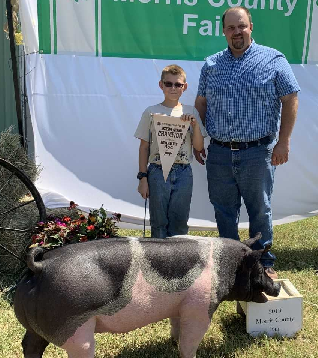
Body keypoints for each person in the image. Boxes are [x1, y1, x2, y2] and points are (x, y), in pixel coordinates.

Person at [194, 6, 300, 279]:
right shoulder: (212, 64)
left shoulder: (273, 59)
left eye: (241, 26)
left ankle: (263, 264)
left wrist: (283, 142)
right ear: (223, 31)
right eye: (230, 27)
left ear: (250, 26)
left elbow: (290, 99)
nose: (236, 32)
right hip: (219, 153)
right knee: (224, 211)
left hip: (258, 152)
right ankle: (231, 266)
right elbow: (201, 103)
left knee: (259, 209)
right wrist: (199, 139)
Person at [135, 64, 207, 238]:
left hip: (183, 171)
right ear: (161, 85)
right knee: (158, 222)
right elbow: (144, 147)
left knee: (180, 222)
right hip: (157, 171)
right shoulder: (151, 112)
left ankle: (177, 264)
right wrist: (142, 178)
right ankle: (157, 262)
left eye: (178, 84)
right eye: (168, 84)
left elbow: (198, 147)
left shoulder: (191, 112)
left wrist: (195, 126)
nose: (173, 88)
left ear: (185, 87)